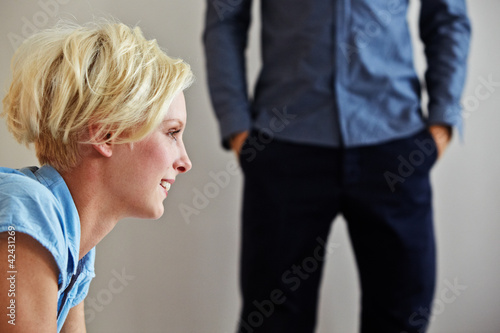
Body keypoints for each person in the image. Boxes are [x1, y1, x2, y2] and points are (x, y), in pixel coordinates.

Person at [203, 1, 470, 332]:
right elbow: (224, 19)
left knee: (401, 319)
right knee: (270, 322)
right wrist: (237, 127)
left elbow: (448, 18)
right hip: (285, 148)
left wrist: (442, 123)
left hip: (395, 149)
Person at [0, 21, 193, 332]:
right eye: (172, 133)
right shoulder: (27, 209)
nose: (185, 162)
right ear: (105, 134)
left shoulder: (75, 242)